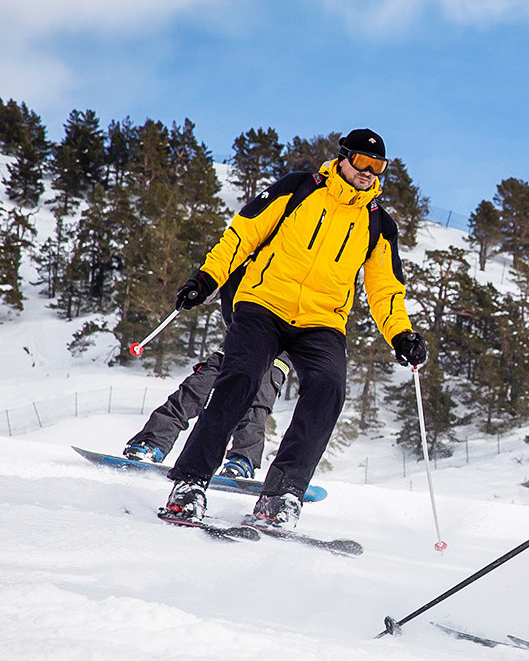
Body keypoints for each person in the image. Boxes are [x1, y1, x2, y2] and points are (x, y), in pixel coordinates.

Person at [158, 127, 428, 529]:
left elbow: (385, 288)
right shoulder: (298, 188)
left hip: (321, 321)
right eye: (363, 162)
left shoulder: (378, 224)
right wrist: (205, 279)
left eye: (378, 166)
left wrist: (401, 334)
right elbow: (242, 235)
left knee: (328, 387)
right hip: (263, 304)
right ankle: (190, 483)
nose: (369, 172)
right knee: (242, 376)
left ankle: (282, 493)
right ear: (343, 158)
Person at [122, 288, 292, 481]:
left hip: (276, 355)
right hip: (235, 346)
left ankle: (242, 460)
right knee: (194, 390)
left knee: (255, 405)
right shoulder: (253, 264)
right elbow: (217, 285)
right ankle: (151, 443)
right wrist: (199, 288)